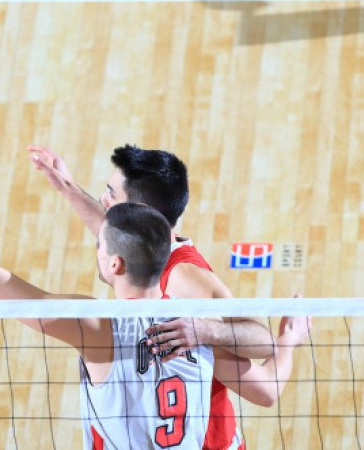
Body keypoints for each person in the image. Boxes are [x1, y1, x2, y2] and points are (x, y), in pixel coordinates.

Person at [0, 128, 311, 448]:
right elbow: (266, 382)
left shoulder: (100, 327)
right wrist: (285, 344)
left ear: (115, 261)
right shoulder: (191, 329)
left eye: (108, 198)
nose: (98, 228)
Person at [28, 143, 279, 448]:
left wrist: (206, 330)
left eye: (111, 193)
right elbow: (111, 229)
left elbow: (264, 361)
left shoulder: (182, 279)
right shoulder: (145, 250)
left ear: (142, 215)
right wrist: (67, 188)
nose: (102, 200)